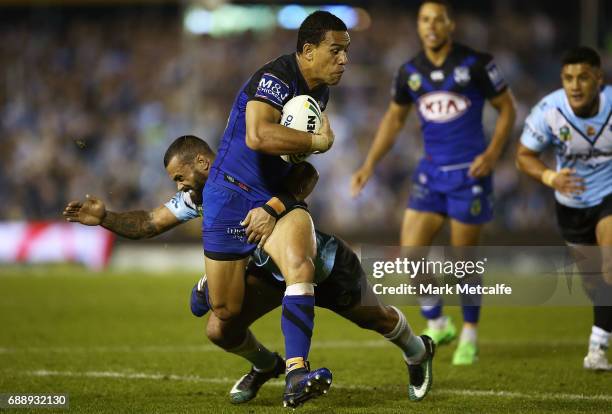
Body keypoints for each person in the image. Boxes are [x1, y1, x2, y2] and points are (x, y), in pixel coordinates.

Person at [63, 135, 436, 406]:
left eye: (180, 177)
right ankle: (270, 366)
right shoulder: (200, 198)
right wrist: (106, 218)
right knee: (219, 328)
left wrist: (274, 207)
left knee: (378, 319)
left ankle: (418, 352)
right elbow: (149, 222)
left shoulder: (251, 171)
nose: (178, 186)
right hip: (269, 277)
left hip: (321, 265)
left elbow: (306, 174)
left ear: (203, 164)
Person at [350, 0, 516, 365]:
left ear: (450, 25)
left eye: (438, 20)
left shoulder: (476, 63)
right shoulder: (410, 71)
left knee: (463, 262)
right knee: (411, 254)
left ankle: (470, 335)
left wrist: (492, 154)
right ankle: (438, 320)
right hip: (430, 174)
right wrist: (368, 165)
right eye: (425, 20)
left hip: (468, 175)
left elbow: (508, 108)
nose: (431, 26)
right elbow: (394, 120)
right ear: (419, 26)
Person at [199, 11, 349, 405]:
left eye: (346, 52)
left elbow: (297, 163)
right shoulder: (276, 76)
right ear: (308, 50)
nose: (344, 59)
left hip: (270, 195)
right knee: (224, 314)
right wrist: (318, 143)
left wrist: (279, 202)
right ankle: (265, 361)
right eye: (336, 51)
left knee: (301, 265)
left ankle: (297, 373)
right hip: (229, 194)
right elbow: (258, 135)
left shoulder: (319, 92)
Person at [516, 46, 612, 371]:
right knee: (593, 281)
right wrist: (550, 176)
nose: (575, 85)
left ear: (598, 79)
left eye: (583, 77)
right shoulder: (548, 111)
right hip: (571, 206)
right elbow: (524, 156)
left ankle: (596, 348)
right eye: (569, 78)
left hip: (608, 197)